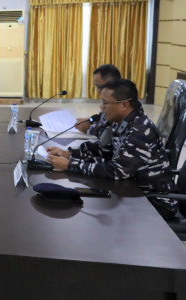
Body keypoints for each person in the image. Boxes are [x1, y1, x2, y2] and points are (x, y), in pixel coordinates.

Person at [46, 79, 177, 219]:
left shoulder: (140, 131)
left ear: (124, 105)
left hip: (154, 202)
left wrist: (69, 165)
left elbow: (117, 171)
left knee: (90, 213)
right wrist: (69, 154)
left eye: (105, 103)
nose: (102, 107)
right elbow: (104, 149)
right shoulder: (122, 122)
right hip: (132, 190)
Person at [76, 64, 122, 135]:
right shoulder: (110, 99)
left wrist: (89, 128)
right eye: (96, 86)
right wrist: (89, 120)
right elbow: (103, 119)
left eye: (99, 86)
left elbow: (112, 134)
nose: (98, 91)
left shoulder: (120, 103)